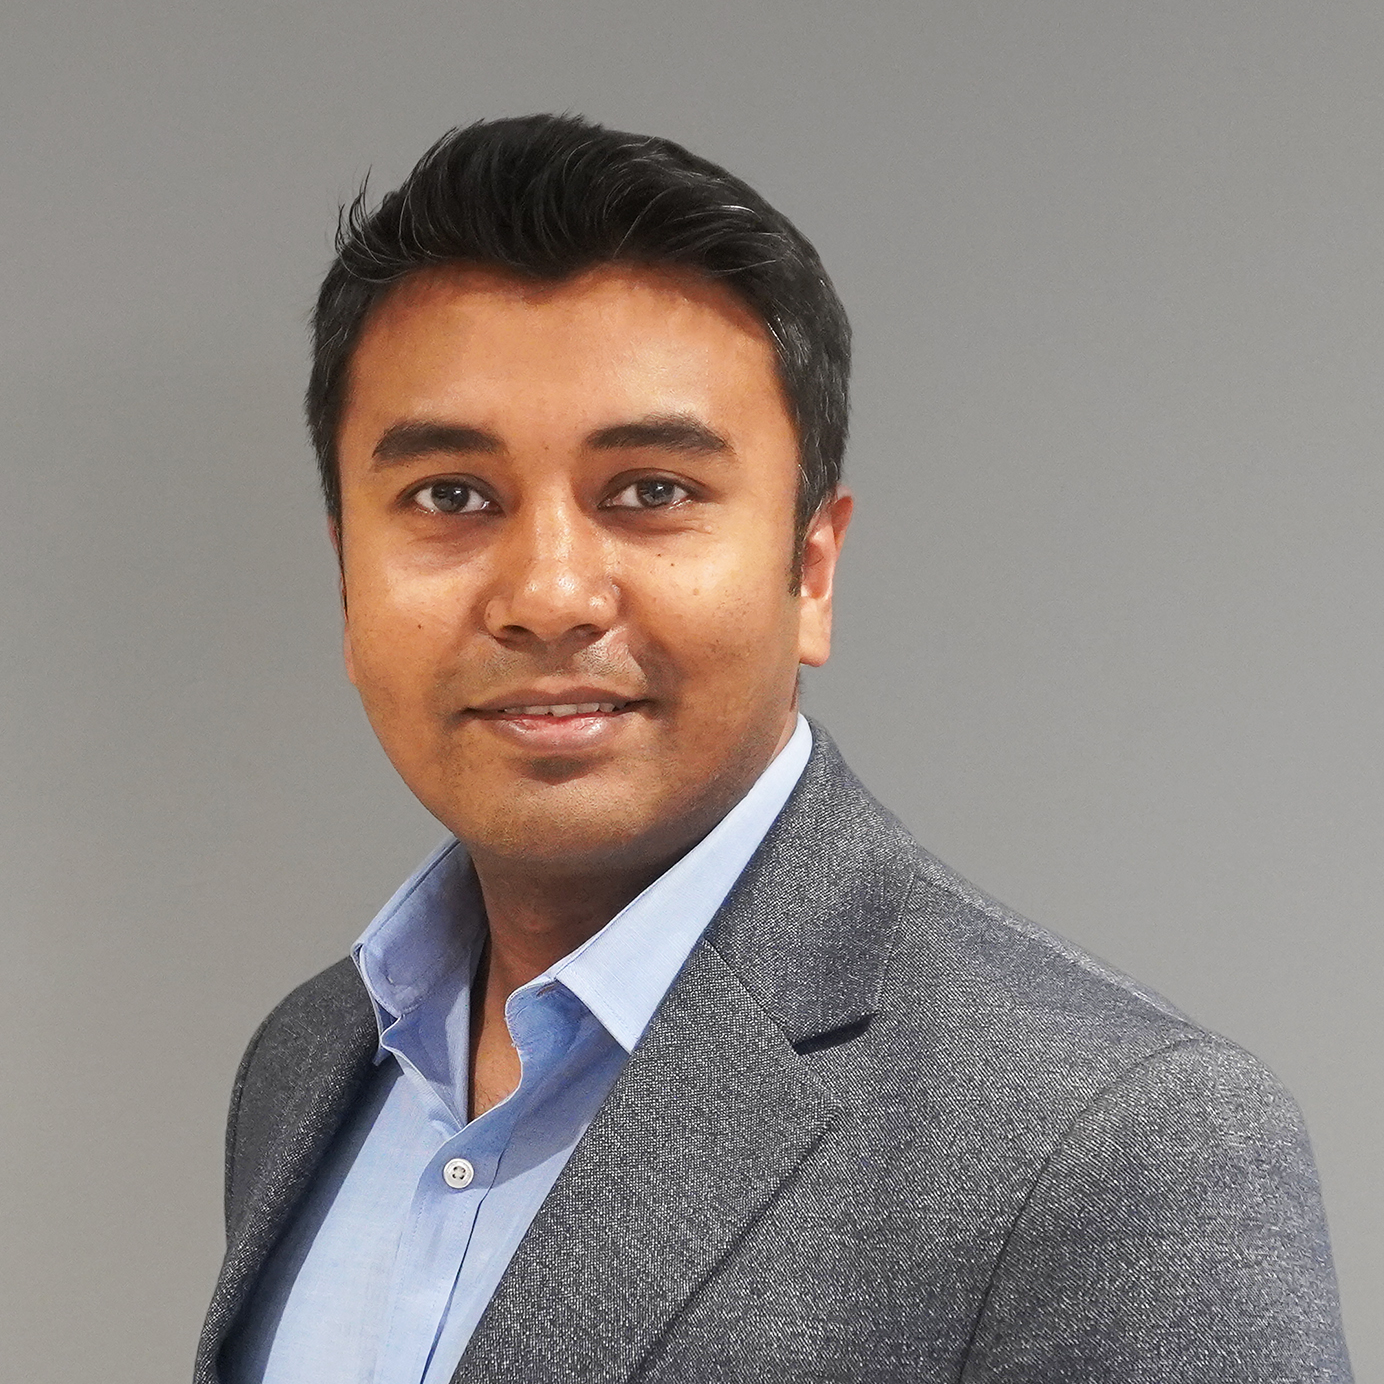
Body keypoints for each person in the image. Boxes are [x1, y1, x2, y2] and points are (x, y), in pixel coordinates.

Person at [195, 114, 1353, 1384]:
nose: (548, 593)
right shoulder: (309, 1061)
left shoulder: (1120, 1149)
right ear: (345, 571)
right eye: (451, 497)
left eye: (649, 490)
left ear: (810, 570)